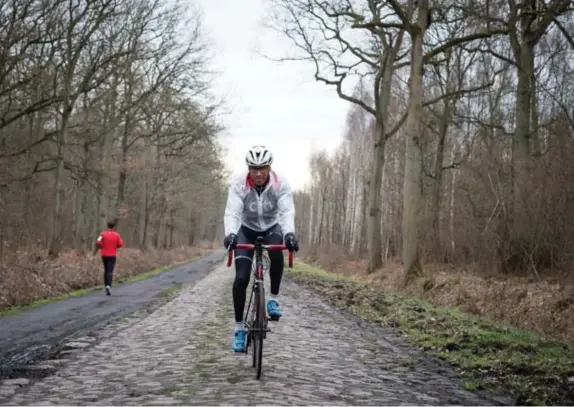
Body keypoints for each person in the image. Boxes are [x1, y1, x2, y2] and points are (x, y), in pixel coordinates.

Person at [223, 145, 299, 352]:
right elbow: (232, 212)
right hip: (245, 229)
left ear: (269, 167)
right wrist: (230, 233)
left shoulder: (280, 183)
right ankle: (239, 328)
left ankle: (272, 299)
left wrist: (290, 234)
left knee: (276, 249)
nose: (258, 173)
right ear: (248, 168)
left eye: (262, 168)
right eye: (254, 168)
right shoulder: (239, 183)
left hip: (271, 227)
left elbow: (286, 212)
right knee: (241, 278)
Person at [93, 220, 124, 296]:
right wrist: (115, 246)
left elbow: (98, 241)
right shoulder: (117, 235)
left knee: (106, 270)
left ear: (107, 226)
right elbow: (120, 244)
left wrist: (102, 246)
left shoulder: (102, 234)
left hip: (104, 254)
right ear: (114, 227)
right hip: (112, 255)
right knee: (110, 271)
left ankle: (106, 285)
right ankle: (108, 286)